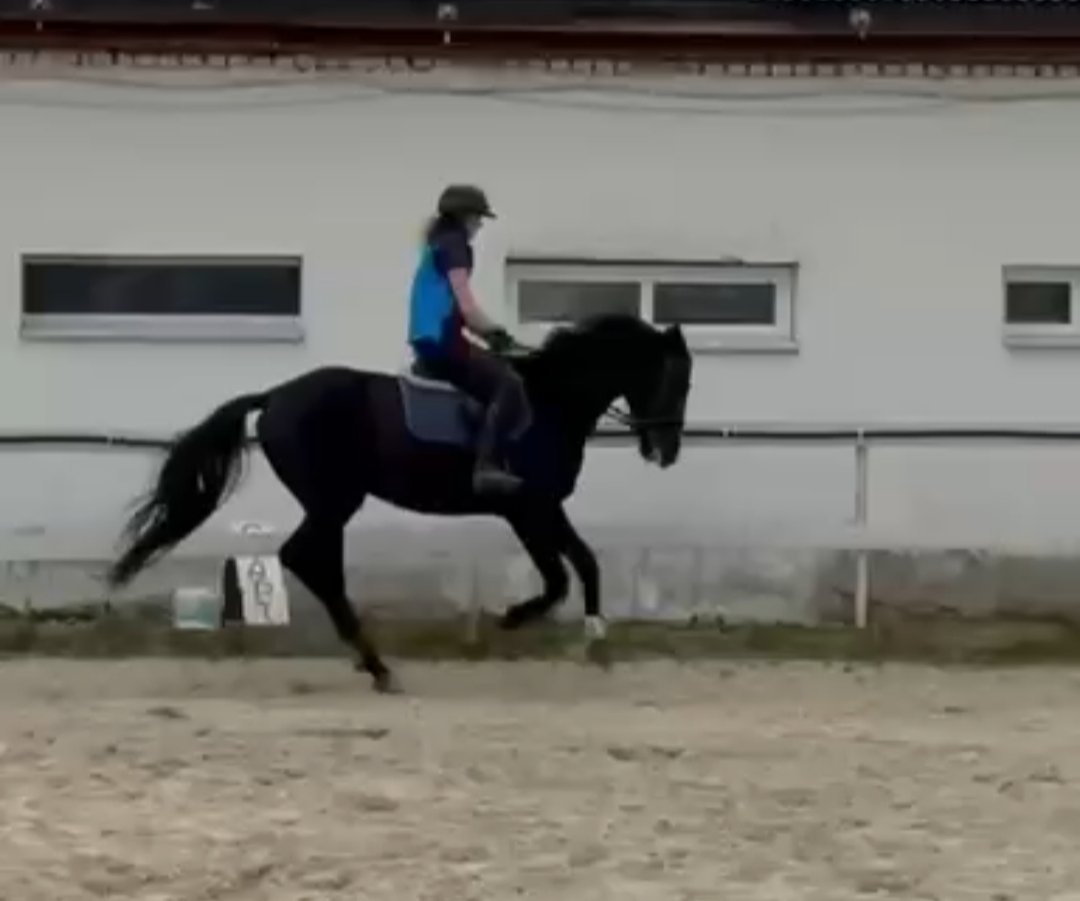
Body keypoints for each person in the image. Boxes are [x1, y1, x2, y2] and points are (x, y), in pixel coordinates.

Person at [408, 184, 529, 495]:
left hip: (429, 339)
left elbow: (456, 311)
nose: (480, 225)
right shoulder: (455, 246)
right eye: (478, 218)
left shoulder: (439, 243)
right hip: (441, 342)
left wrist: (488, 333)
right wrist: (495, 333)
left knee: (490, 368)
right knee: (509, 383)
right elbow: (467, 306)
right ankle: (486, 466)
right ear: (464, 216)